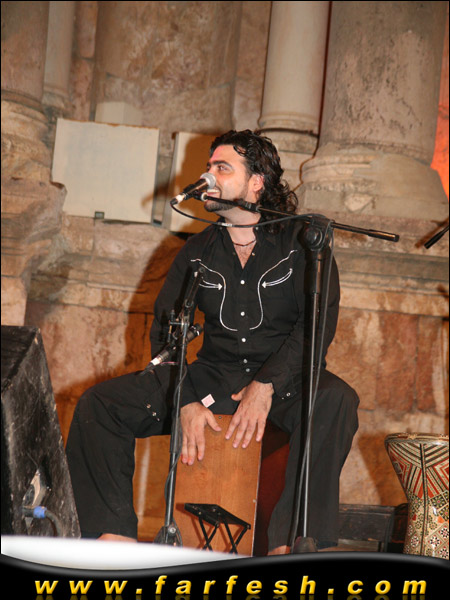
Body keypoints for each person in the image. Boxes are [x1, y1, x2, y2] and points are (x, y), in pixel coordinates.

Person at [66, 129, 359, 552]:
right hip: (213, 376)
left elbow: (316, 326)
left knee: (336, 399)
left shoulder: (303, 242)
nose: (209, 176)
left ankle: (291, 544)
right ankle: (112, 540)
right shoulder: (197, 250)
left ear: (256, 182)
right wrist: (184, 399)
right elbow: (166, 332)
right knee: (101, 405)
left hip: (285, 380)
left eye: (222, 168)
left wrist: (266, 384)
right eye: (209, 167)